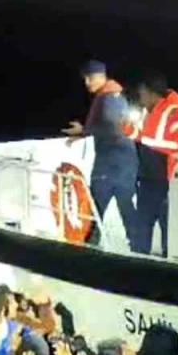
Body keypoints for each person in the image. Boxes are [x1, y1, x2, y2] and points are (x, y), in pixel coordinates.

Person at [62, 60, 138, 248]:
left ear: (101, 77)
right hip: (124, 162)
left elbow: (113, 128)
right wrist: (83, 134)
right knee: (125, 206)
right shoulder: (115, 95)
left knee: (95, 207)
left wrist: (84, 130)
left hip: (112, 163)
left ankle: (89, 248)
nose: (87, 83)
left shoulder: (109, 98)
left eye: (90, 78)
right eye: (85, 79)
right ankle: (139, 248)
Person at [127, 74, 178, 256]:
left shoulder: (173, 112)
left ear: (152, 93)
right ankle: (139, 258)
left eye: (142, 93)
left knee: (163, 226)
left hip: (164, 181)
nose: (140, 98)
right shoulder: (149, 112)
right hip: (148, 178)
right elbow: (145, 137)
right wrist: (128, 130)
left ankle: (163, 260)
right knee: (144, 225)